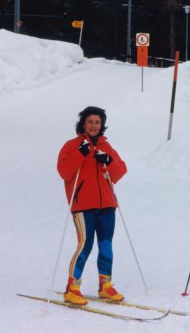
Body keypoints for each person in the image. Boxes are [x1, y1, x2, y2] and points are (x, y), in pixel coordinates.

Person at [57, 106, 128, 305]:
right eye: (90, 122)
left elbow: (120, 171)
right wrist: (81, 153)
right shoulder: (72, 146)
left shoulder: (106, 146)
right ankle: (72, 288)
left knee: (106, 245)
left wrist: (109, 160)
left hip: (107, 204)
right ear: (83, 123)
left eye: (97, 122)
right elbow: (64, 172)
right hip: (83, 205)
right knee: (85, 245)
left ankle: (105, 286)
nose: (94, 125)